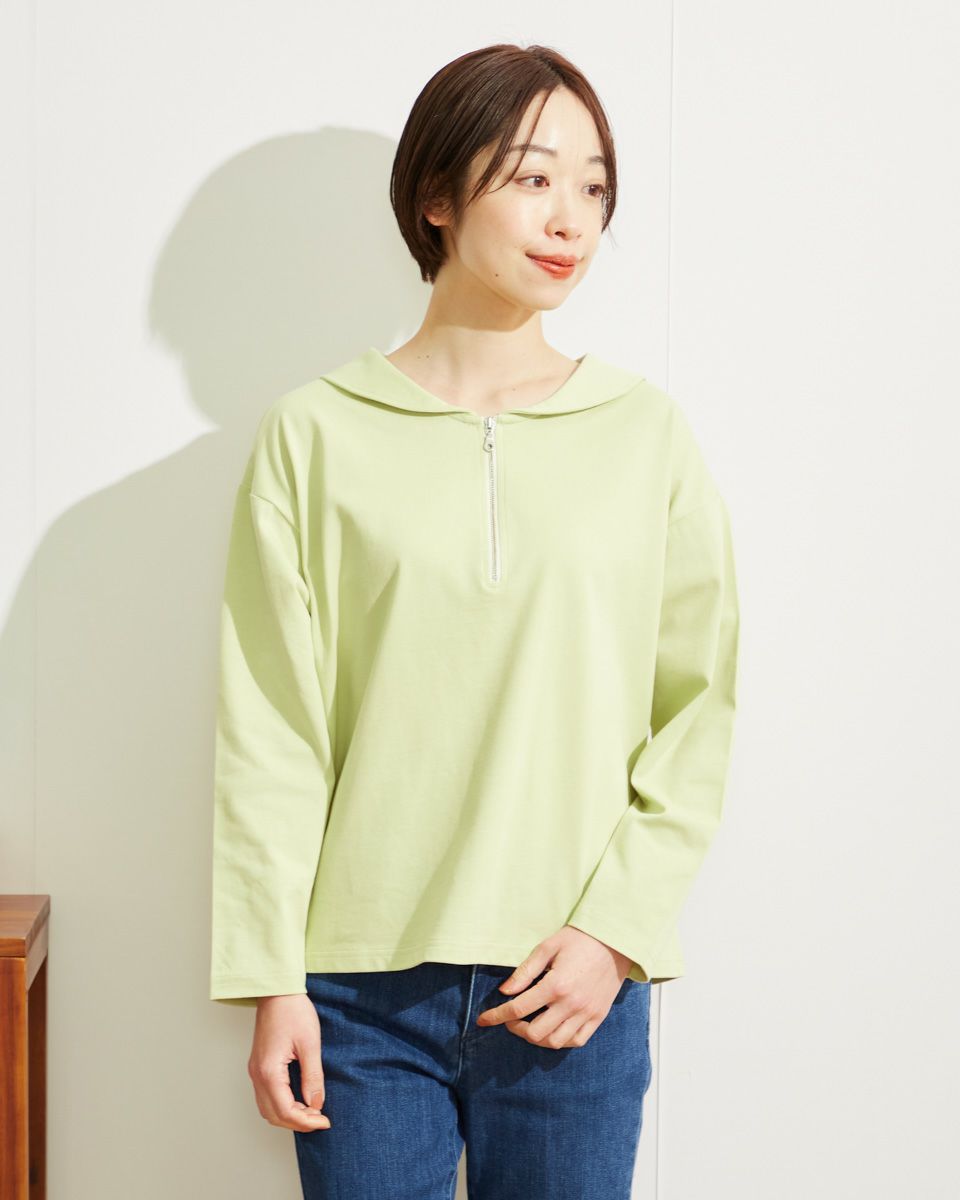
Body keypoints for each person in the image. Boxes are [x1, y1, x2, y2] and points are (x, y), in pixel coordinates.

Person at [209, 42, 740, 1200]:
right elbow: (272, 730)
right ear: (437, 198)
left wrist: (616, 933)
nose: (571, 219)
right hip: (356, 996)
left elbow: (699, 710)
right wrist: (272, 979)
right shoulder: (314, 435)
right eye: (533, 177)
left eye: (594, 185)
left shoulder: (645, 435)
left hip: (571, 983)